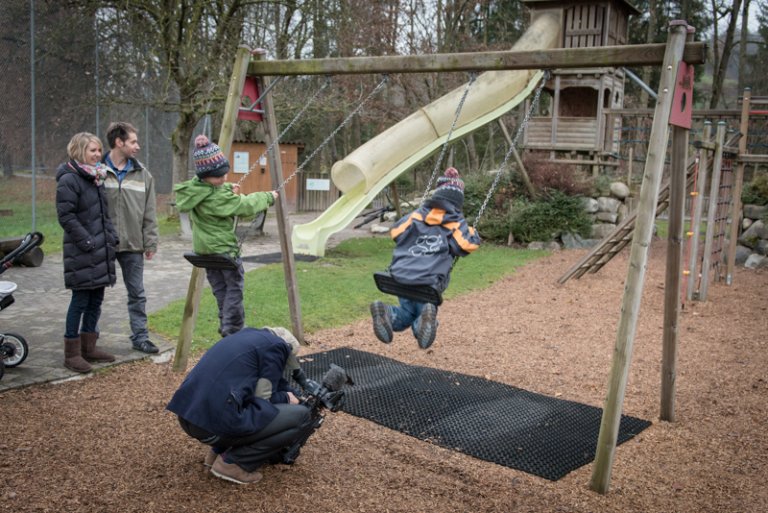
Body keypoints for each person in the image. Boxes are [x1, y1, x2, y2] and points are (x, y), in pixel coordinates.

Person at [166, 327, 313, 485]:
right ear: (287, 349)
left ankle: (216, 454)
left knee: (245, 407)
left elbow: (268, 383)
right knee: (300, 415)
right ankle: (233, 464)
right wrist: (286, 398)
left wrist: (292, 393)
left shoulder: (247, 338)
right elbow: (264, 398)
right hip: (214, 426)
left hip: (190, 417)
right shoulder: (278, 346)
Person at [174, 135, 277, 337]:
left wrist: (227, 188)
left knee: (220, 288)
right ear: (205, 176)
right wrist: (268, 197)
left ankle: (225, 323)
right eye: (218, 177)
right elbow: (244, 206)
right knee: (235, 288)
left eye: (225, 175)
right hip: (223, 250)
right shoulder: (218, 196)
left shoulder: (196, 189)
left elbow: (213, 193)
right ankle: (233, 329)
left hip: (204, 252)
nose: (224, 179)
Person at [370, 167, 481, 349]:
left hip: (401, 278)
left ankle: (387, 314)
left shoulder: (417, 215)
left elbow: (396, 231)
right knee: (423, 320)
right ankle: (424, 321)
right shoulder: (455, 220)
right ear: (458, 201)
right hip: (428, 283)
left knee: (406, 313)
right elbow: (464, 245)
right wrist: (473, 233)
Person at [56, 133, 119, 373]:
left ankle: (89, 348)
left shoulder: (96, 177)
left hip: (100, 251)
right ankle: (71, 354)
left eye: (98, 150)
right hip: (83, 251)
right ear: (79, 151)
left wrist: (111, 238)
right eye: (92, 150)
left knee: (96, 300)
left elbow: (104, 215)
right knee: (80, 300)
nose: (97, 154)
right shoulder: (70, 180)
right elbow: (66, 216)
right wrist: (88, 241)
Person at [102, 122, 160, 354]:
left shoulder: (144, 175)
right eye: (133, 141)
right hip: (102, 245)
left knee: (137, 293)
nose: (137, 146)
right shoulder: (95, 170)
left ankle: (140, 337)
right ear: (119, 142)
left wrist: (150, 241)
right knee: (94, 295)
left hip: (133, 245)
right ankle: (88, 341)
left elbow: (150, 211)